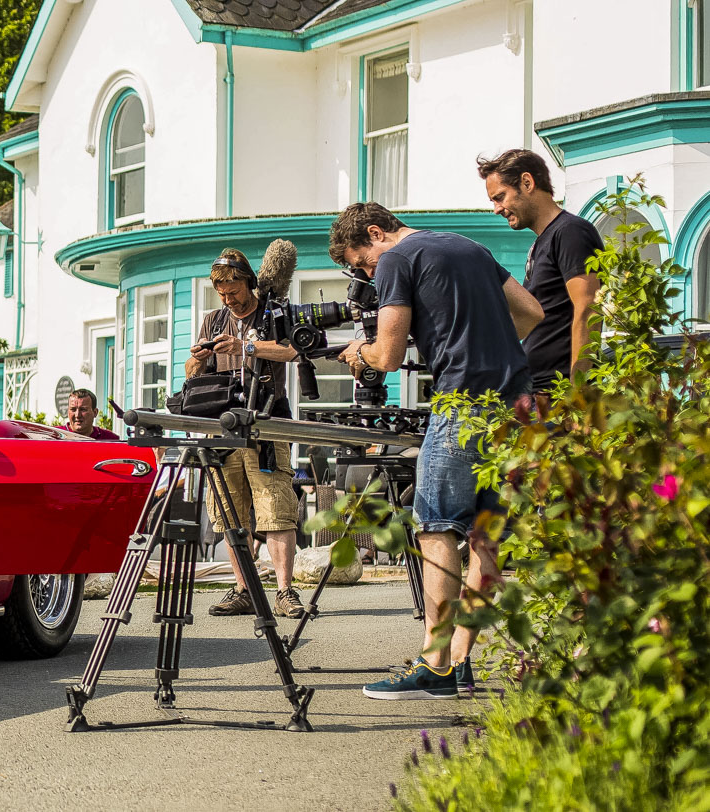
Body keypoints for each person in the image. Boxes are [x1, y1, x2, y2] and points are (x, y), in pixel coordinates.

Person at [328, 202, 543, 700]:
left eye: (361, 262)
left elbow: (387, 355)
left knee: (437, 527)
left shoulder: (398, 260)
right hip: (518, 404)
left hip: (464, 401)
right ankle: (460, 660)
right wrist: (487, 346)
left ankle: (435, 664)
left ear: (376, 234)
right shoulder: (470, 247)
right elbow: (532, 312)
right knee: (487, 538)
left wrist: (356, 353)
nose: (367, 273)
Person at [185, 249, 307, 620]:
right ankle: (244, 589)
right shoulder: (213, 320)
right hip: (221, 424)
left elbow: (293, 351)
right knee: (229, 510)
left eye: (233, 289)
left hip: (267, 421)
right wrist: (200, 356)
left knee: (275, 508)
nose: (228, 298)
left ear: (249, 282)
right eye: (221, 291)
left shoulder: (272, 313)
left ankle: (285, 591)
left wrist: (245, 346)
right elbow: (191, 373)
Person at [478, 149, 604, 403]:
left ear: (527, 182)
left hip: (559, 395)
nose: (496, 209)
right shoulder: (541, 243)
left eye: (500, 197)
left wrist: (578, 393)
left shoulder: (571, 232)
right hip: (537, 391)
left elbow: (589, 307)